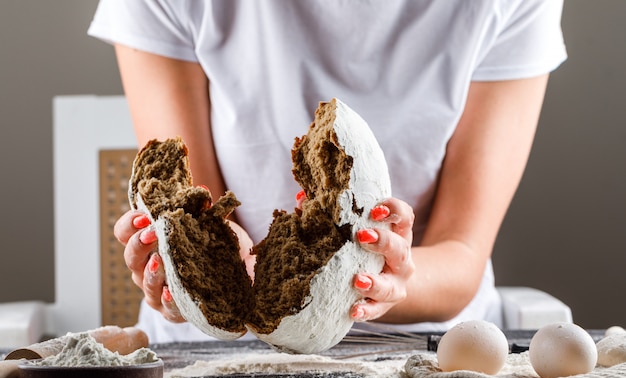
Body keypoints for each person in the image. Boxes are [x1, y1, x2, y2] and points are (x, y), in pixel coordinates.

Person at [88, 0, 567, 343]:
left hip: (414, 356)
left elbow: (462, 252)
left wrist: (389, 278)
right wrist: (204, 268)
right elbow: (197, 201)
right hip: (211, 357)